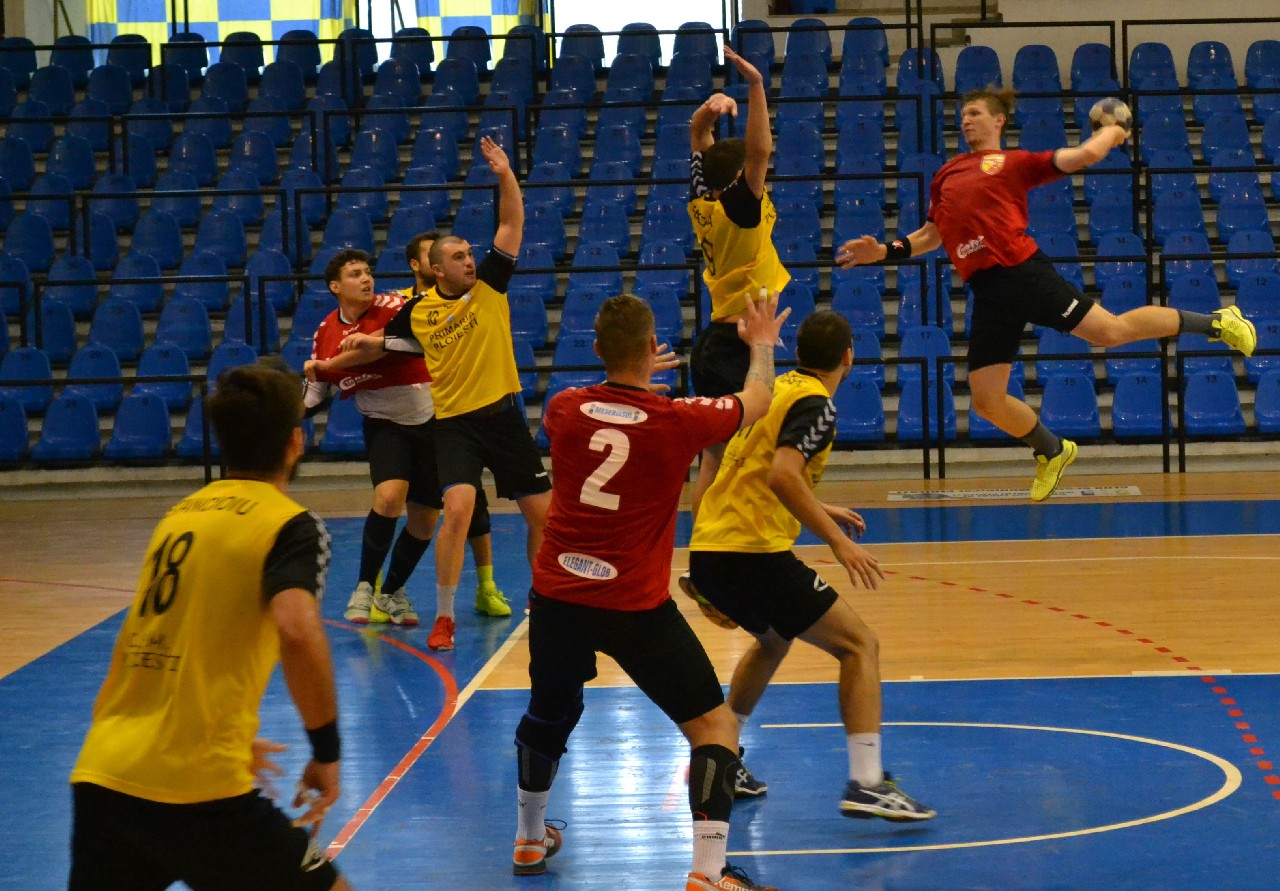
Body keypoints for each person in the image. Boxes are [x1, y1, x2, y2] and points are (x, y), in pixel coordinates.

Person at [837, 86, 1258, 501]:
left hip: (1023, 273)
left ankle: (1218, 322)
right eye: (963, 115)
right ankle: (1052, 450)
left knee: (1111, 332)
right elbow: (932, 235)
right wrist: (883, 251)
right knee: (986, 401)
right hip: (988, 290)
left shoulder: (1013, 163)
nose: (966, 120)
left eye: (975, 113)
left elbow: (1083, 156)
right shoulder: (947, 173)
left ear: (999, 120)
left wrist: (1112, 131)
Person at [512, 292, 789, 891]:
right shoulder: (678, 420)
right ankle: (707, 874)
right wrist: (762, 345)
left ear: (596, 348)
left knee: (550, 712)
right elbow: (759, 398)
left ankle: (530, 838)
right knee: (714, 728)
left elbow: (610, 412)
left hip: (558, 598)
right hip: (634, 607)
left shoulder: (563, 408)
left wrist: (629, 376)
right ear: (650, 348)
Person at [69, 360, 350, 890]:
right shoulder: (288, 525)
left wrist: (224, 734)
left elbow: (166, 644)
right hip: (196, 787)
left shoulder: (179, 515)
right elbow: (297, 630)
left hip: (106, 772)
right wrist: (326, 752)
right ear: (295, 441)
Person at [689, 310, 936, 824]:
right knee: (859, 644)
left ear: (798, 353)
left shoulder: (773, 388)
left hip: (711, 546)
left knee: (774, 641)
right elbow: (782, 475)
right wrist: (837, 542)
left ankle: (723, 758)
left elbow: (756, 470)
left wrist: (822, 508)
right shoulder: (816, 403)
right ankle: (867, 783)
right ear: (849, 358)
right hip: (752, 552)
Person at [338, 136, 550, 652]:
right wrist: (344, 356)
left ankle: (544, 599)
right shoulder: (418, 310)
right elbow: (387, 341)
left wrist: (505, 174)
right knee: (456, 510)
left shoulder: (490, 287)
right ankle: (446, 616)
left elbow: (511, 225)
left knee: (544, 516)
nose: (470, 260)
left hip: (503, 415)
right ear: (437, 270)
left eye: (470, 253)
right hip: (455, 426)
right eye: (459, 256)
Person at [303, 249, 511, 634]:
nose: (366, 279)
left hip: (433, 420)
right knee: (389, 496)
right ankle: (364, 587)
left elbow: (422, 342)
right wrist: (294, 407)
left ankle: (392, 592)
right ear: (335, 287)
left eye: (368, 271)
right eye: (355, 274)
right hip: (384, 424)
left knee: (425, 519)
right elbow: (316, 389)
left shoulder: (395, 307)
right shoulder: (326, 331)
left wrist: (374, 347)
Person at [682, 44, 791, 621]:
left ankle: (705, 568)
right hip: (736, 345)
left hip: (719, 340)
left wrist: (707, 113)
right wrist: (753, 88)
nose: (763, 178)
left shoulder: (705, 201)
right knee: (737, 456)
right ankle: (723, 565)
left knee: (715, 457)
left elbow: (697, 138)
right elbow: (758, 151)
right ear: (739, 182)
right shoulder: (738, 212)